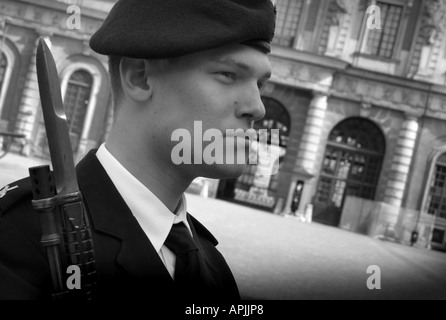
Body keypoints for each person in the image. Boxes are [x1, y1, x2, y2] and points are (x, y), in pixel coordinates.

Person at [0, 0, 276, 300]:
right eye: (228, 74)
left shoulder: (214, 266)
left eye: (259, 85)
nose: (257, 108)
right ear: (139, 77)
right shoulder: (19, 237)